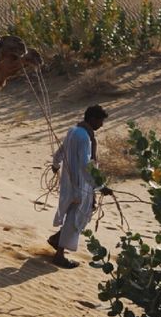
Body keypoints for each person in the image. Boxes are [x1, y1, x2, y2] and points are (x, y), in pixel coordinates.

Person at [47, 104, 112, 269]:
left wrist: (55, 163)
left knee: (74, 214)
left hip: (69, 182)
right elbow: (86, 165)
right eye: (100, 121)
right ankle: (59, 255)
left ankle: (57, 239)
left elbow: (61, 150)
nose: (101, 125)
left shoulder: (73, 130)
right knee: (75, 217)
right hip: (80, 184)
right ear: (92, 119)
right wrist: (100, 186)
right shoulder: (84, 137)